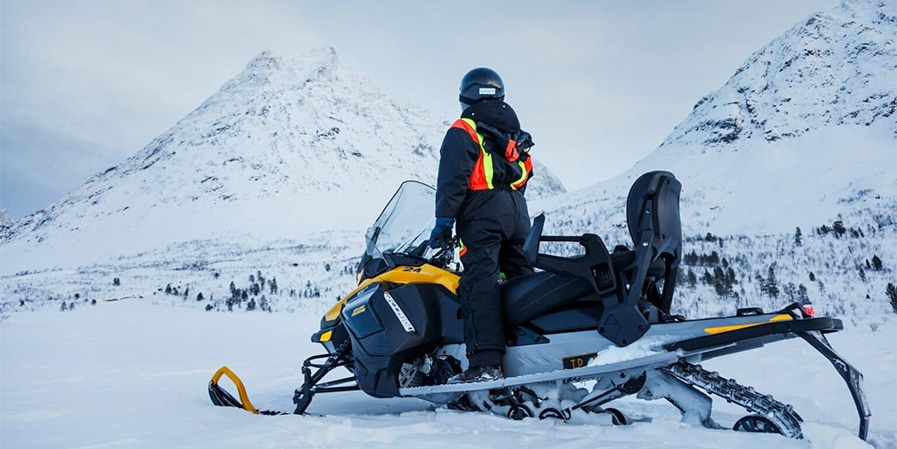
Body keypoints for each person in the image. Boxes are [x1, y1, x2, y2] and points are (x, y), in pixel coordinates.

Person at [429, 67, 535, 383]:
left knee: (480, 283)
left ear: (465, 97)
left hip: (481, 211)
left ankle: (485, 364)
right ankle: (531, 349)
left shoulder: (465, 129)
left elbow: (452, 178)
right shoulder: (514, 133)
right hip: (517, 211)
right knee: (521, 278)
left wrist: (444, 221)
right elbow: (526, 172)